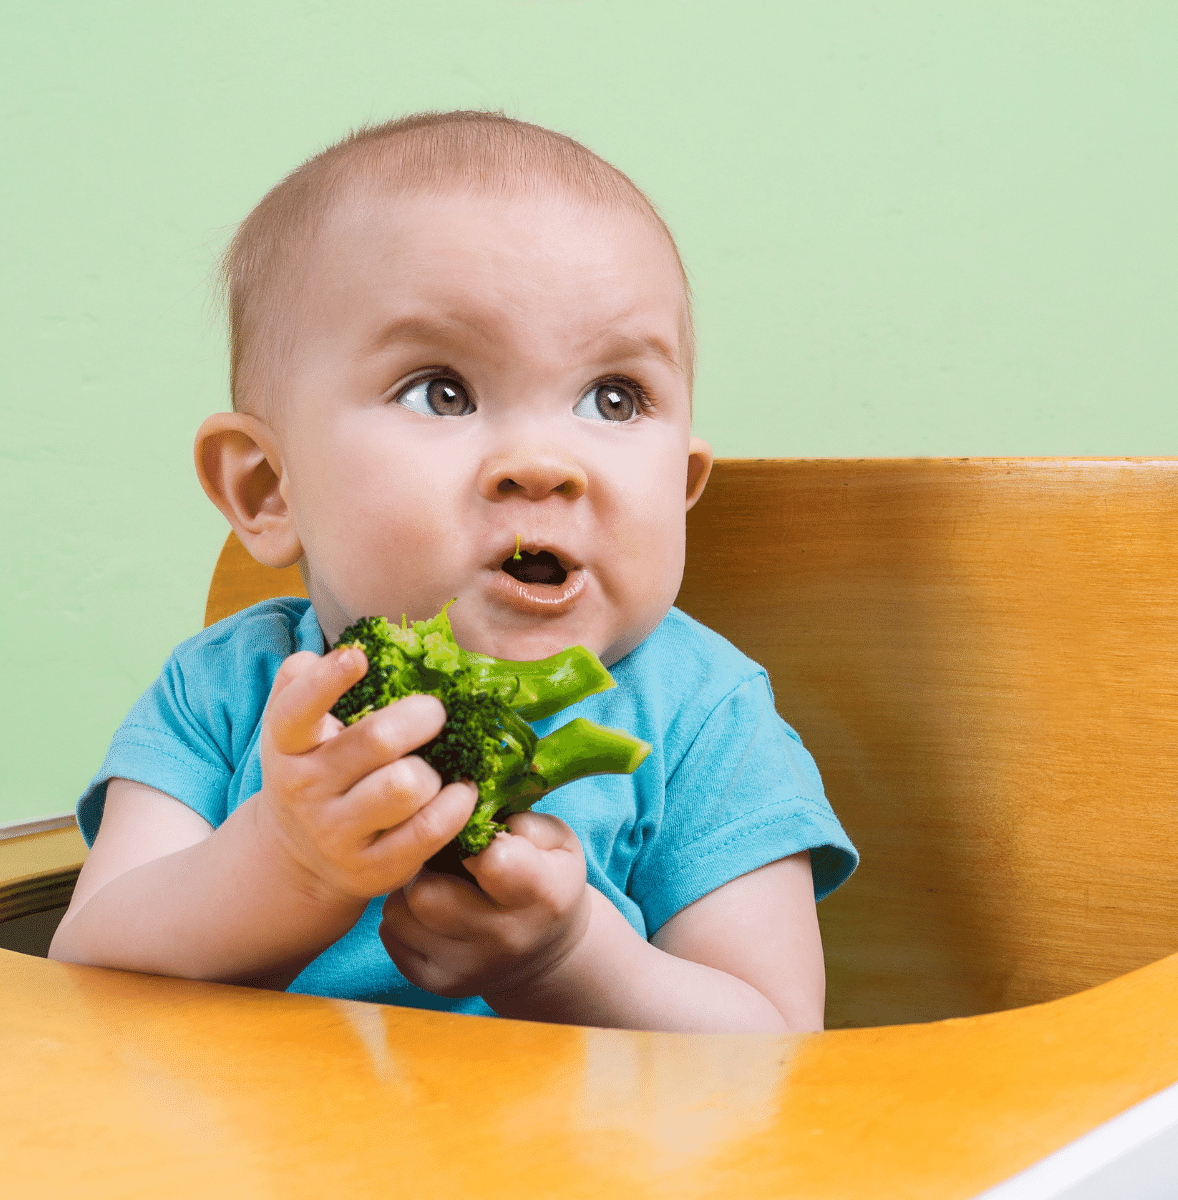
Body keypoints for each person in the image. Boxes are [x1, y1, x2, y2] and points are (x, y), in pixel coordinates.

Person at [48, 111, 857, 1032]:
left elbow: (777, 1042)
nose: (545, 462)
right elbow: (89, 963)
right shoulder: (226, 692)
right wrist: (287, 862)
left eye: (615, 398)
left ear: (682, 487)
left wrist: (569, 957)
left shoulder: (703, 713)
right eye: (443, 391)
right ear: (270, 487)